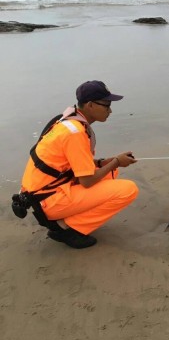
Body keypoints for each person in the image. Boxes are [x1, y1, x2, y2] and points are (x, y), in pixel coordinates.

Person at [16, 80, 139, 248]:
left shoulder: (68, 120)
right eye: (106, 105)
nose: (110, 110)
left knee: (111, 172)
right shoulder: (75, 133)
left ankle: (68, 220)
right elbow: (87, 181)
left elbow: (67, 163)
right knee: (128, 190)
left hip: (45, 192)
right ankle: (67, 228)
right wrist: (117, 161)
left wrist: (103, 162)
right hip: (48, 199)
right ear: (90, 105)